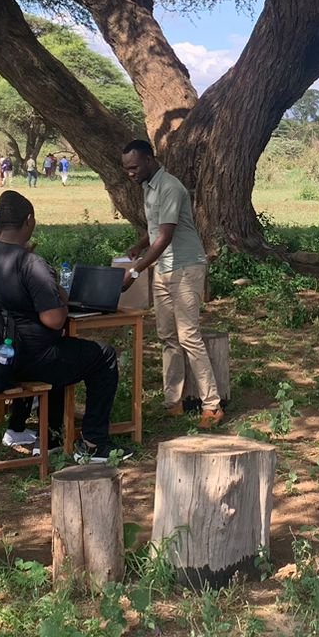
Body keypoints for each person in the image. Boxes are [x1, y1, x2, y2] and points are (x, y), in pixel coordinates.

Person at [0, 191, 117, 461]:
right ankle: (94, 444)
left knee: (64, 353)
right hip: (29, 359)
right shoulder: (30, 263)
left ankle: (53, 437)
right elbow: (54, 319)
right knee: (102, 356)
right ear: (29, 221)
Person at [120, 140, 224, 425]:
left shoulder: (170, 187)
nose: (130, 173)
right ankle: (173, 401)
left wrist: (136, 271)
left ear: (150, 160)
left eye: (134, 167)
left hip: (186, 268)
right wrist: (140, 245)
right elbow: (155, 229)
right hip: (163, 269)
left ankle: (212, 405)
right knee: (167, 337)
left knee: (189, 336)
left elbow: (165, 236)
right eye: (126, 169)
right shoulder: (147, 186)